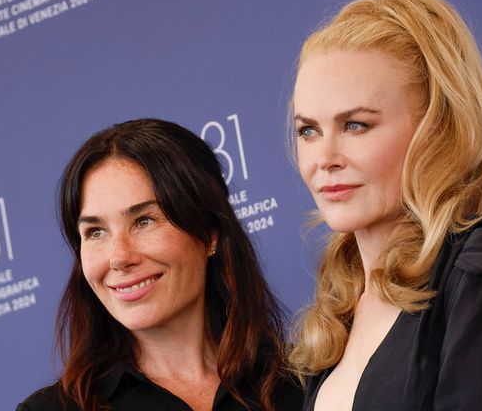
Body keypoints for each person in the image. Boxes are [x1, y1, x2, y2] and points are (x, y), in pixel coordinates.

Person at [288, 0, 482, 410]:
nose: (324, 159)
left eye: (355, 125)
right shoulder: (343, 309)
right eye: (308, 131)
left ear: (437, 130)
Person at [18, 119, 303, 411]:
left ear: (209, 233)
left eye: (144, 221)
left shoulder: (304, 382)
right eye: (95, 232)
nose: (119, 257)